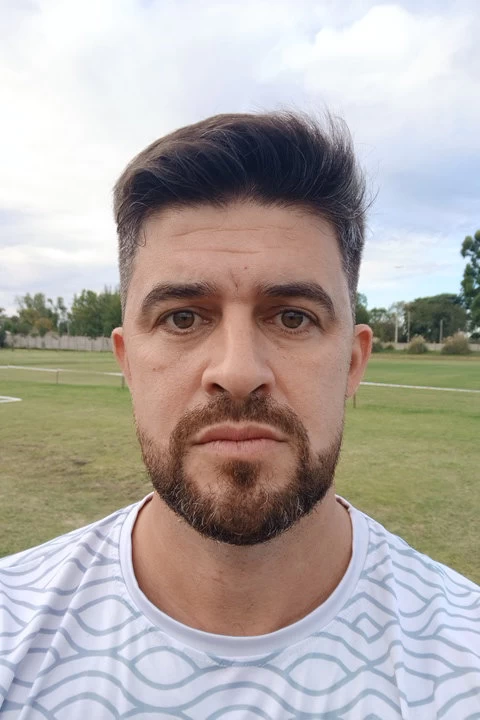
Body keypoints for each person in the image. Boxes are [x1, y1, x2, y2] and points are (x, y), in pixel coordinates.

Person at [0, 112, 478, 720]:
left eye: (293, 317)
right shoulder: (13, 628)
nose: (238, 370)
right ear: (127, 362)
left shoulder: (463, 661)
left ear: (353, 363)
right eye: (182, 317)